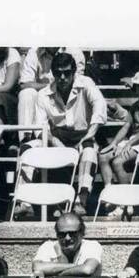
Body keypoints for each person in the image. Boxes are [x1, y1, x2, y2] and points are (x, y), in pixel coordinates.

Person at [34, 52, 109, 213]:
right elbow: (39, 126)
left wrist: (90, 133)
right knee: (29, 146)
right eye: (58, 73)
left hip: (84, 135)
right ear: (52, 74)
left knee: (89, 150)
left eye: (67, 73)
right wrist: (55, 142)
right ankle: (23, 203)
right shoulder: (43, 95)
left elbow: (100, 106)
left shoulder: (86, 83)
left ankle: (81, 200)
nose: (62, 77)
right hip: (56, 137)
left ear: (74, 72)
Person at [17, 47, 88, 129]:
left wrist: (57, 86)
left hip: (67, 96)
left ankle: (72, 131)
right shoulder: (34, 52)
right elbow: (24, 84)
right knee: (26, 93)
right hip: (42, 97)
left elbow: (77, 82)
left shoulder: (75, 52)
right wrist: (51, 88)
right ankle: (26, 137)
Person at [31, 212, 104, 278]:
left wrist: (53, 273)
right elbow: (37, 268)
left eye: (72, 233)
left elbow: (87, 269)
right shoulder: (47, 246)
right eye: (62, 234)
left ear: (82, 233)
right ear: (57, 235)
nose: (67, 238)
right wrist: (75, 266)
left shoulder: (92, 246)